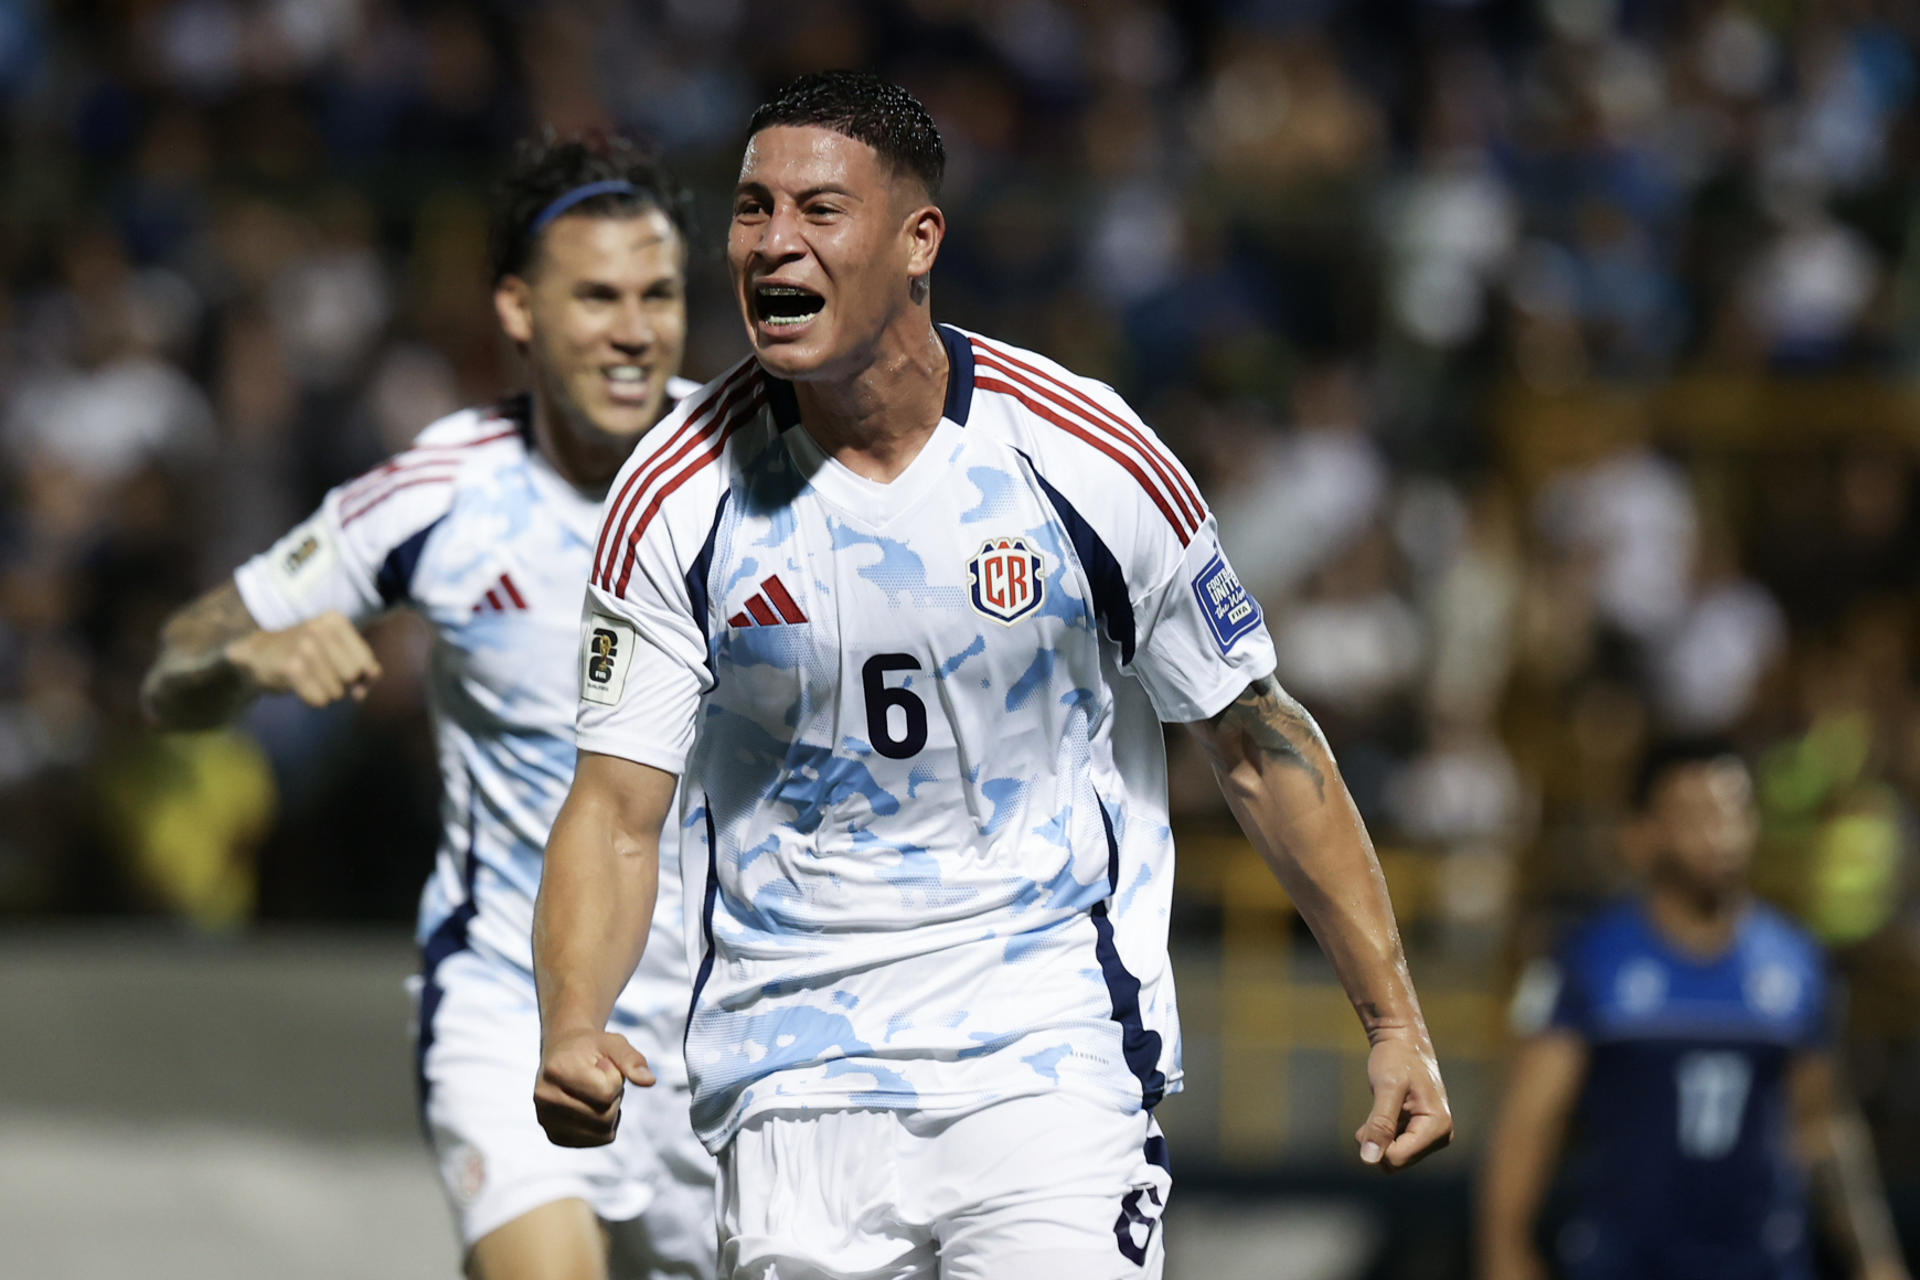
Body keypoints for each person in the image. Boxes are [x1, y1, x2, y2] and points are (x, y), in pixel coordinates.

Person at [532, 71, 1451, 1279]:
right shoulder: (676, 493)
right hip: (794, 1075)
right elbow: (613, 806)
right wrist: (574, 1024)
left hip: (1044, 1057)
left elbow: (1256, 742)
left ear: (920, 241)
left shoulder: (1084, 457)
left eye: (818, 209)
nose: (771, 243)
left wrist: (1394, 1021)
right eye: (752, 210)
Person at [140, 135, 716, 1280]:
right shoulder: (442, 493)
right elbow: (172, 671)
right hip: (507, 997)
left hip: (728, 1024)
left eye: (657, 295)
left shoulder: (755, 468)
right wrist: (250, 658)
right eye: (595, 295)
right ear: (517, 307)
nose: (634, 330)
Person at [1478, 738, 1911, 1280]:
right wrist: (1505, 1252)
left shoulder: (1797, 961)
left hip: (1763, 1264)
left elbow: (1821, 1124)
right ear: (1642, 835)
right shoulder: (1590, 961)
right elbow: (1531, 1122)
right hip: (1624, 1262)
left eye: (1735, 813)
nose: (1721, 835)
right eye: (1697, 816)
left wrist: (1874, 1257)